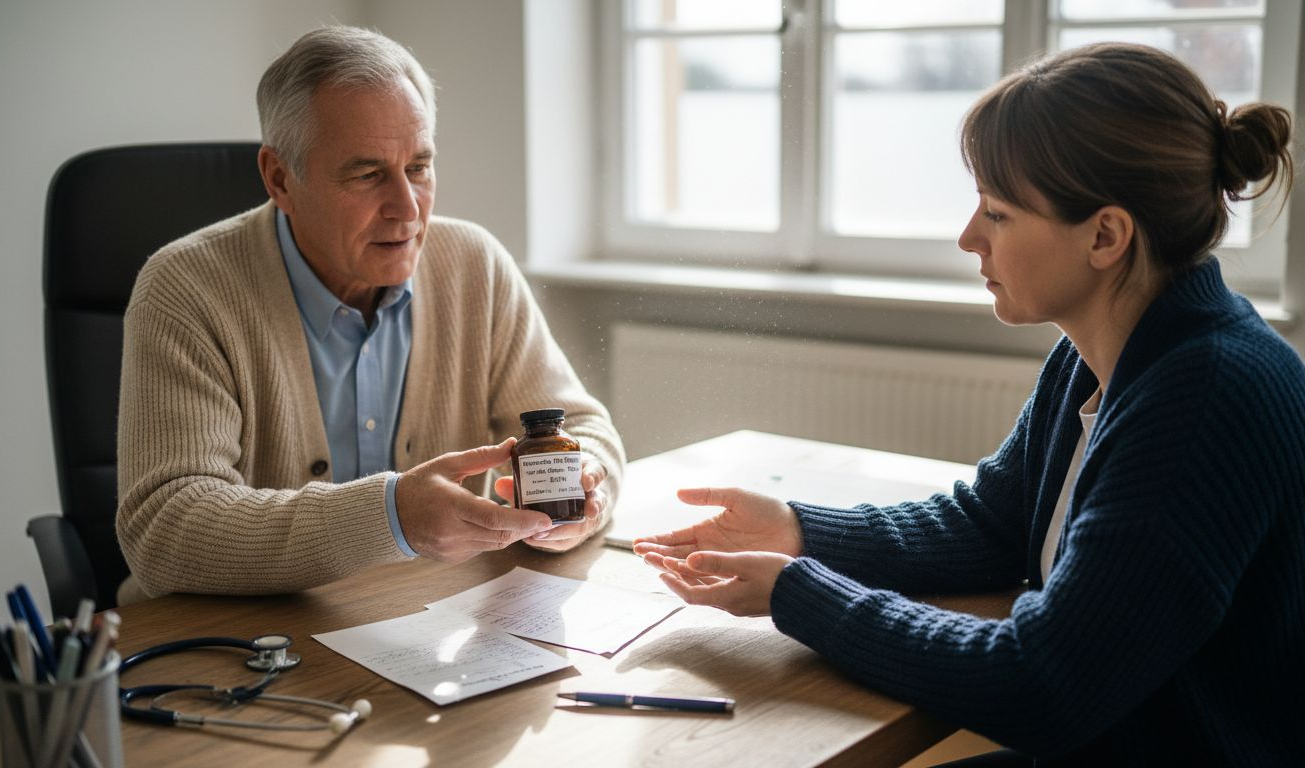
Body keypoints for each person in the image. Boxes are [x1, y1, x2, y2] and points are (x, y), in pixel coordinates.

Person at [634, 43, 1303, 764]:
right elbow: (993, 524)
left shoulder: (1206, 396)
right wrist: (799, 531)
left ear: (1105, 236)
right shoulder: (1105, 351)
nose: (968, 238)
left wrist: (799, 593)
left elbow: (1042, 682)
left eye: (998, 212)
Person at [116, 26, 624, 602]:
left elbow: (584, 431)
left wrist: (582, 497)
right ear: (280, 178)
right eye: (367, 174)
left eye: (419, 168)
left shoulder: (474, 265)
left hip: (424, 626)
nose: (407, 209)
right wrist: (391, 517)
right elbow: (163, 528)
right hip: (237, 647)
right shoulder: (185, 288)